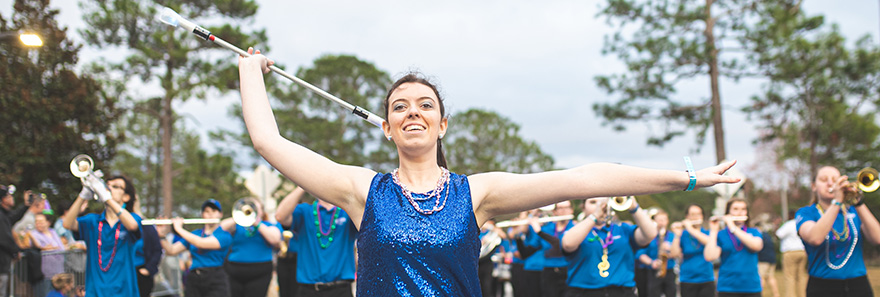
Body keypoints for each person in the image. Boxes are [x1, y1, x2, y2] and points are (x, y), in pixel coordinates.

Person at [238, 49, 740, 295]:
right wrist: (249, 70)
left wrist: (687, 178)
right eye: (400, 106)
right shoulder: (359, 190)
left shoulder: (477, 193)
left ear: (442, 123)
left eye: (425, 105)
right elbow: (268, 141)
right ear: (388, 127)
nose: (412, 112)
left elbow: (586, 178)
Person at [796, 166, 880, 297]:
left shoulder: (853, 211)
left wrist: (858, 202)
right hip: (822, 287)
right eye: (824, 179)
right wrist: (837, 202)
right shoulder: (806, 213)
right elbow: (815, 238)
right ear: (813, 186)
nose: (830, 183)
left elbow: (877, 238)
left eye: (835, 179)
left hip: (858, 285)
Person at [63, 175, 143, 297]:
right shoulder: (92, 220)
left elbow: (132, 226)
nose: (109, 188)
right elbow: (67, 223)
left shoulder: (132, 218)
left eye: (116, 187)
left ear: (126, 197)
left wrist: (107, 198)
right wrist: (82, 195)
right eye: (108, 185)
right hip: (95, 291)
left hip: (124, 291)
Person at [560, 197, 656, 297]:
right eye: (593, 202)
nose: (600, 206)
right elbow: (568, 244)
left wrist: (634, 207)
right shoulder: (576, 230)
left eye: (604, 202)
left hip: (622, 292)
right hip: (584, 292)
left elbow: (650, 234)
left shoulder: (623, 229)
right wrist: (594, 216)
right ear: (583, 208)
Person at [276, 187, 358, 296]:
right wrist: (303, 185)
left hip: (341, 289)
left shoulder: (347, 213)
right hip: (309, 289)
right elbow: (280, 216)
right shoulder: (305, 211)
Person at [159, 199, 232, 297]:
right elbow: (171, 251)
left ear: (220, 214)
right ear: (202, 215)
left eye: (214, 211)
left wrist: (179, 229)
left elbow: (201, 243)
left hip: (215, 278)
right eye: (207, 211)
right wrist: (161, 235)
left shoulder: (224, 235)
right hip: (194, 278)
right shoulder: (195, 234)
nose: (210, 215)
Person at [220, 198, 282, 297]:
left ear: (261, 211)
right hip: (235, 269)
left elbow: (275, 239)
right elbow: (220, 228)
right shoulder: (238, 225)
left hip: (260, 270)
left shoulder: (269, 225)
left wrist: (256, 222)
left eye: (255, 208)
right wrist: (238, 217)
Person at [704, 198, 763, 297]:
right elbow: (709, 256)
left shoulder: (754, 231)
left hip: (751, 287)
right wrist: (713, 231)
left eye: (743, 209)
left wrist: (732, 227)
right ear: (728, 212)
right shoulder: (721, 234)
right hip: (727, 288)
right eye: (735, 209)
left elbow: (756, 246)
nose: (740, 212)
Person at [528, 201, 574, 297]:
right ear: (555, 211)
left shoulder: (575, 228)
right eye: (560, 208)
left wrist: (539, 232)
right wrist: (518, 234)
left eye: (566, 207)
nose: (563, 211)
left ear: (571, 210)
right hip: (549, 273)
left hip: (569, 271)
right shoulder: (547, 228)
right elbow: (526, 253)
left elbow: (560, 245)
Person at [668, 204, 715, 297]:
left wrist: (689, 228)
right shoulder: (683, 234)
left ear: (702, 216)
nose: (695, 217)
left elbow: (709, 242)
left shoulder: (708, 233)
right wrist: (677, 235)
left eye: (698, 214)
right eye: (692, 214)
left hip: (706, 278)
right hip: (687, 279)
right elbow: (673, 254)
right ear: (687, 217)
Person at [0, 185, 30, 297]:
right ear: (3, 199)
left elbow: (13, 217)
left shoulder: (4, 214)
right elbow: (4, 239)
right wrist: (16, 251)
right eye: (9, 195)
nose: (12, 198)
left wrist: (26, 205)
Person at [637, 210, 675, 297]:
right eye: (659, 220)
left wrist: (670, 249)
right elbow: (640, 254)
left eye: (664, 220)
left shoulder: (672, 236)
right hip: (653, 270)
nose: (661, 222)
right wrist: (651, 262)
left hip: (669, 270)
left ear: (667, 221)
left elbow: (679, 253)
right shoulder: (649, 236)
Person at [28, 213, 66, 297]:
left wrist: (50, 248)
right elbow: (39, 247)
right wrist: (48, 248)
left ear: (48, 222)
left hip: (58, 272)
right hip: (44, 274)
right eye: (36, 222)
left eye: (41, 221)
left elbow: (61, 248)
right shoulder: (33, 234)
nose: (38, 224)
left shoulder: (53, 232)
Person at [132, 197, 162, 297]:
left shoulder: (146, 225)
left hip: (140, 272)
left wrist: (148, 269)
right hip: (121, 272)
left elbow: (157, 249)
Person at [510, 210, 543, 297]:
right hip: (531, 265)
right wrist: (528, 214)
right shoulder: (529, 221)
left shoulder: (545, 220)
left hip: (545, 266)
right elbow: (522, 230)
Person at [275, 191, 301, 297]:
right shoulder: (280, 223)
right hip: (284, 259)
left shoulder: (302, 219)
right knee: (284, 291)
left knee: (297, 291)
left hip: (299, 259)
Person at [776, 210, 807, 297]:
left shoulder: (789, 224)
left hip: (790, 252)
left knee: (790, 277)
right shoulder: (802, 223)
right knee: (801, 276)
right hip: (802, 251)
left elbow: (778, 234)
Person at [757, 221, 780, 297]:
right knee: (771, 277)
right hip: (772, 259)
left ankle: (759, 293)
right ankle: (776, 294)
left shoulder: (759, 236)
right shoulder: (767, 235)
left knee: (761, 277)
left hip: (763, 260)